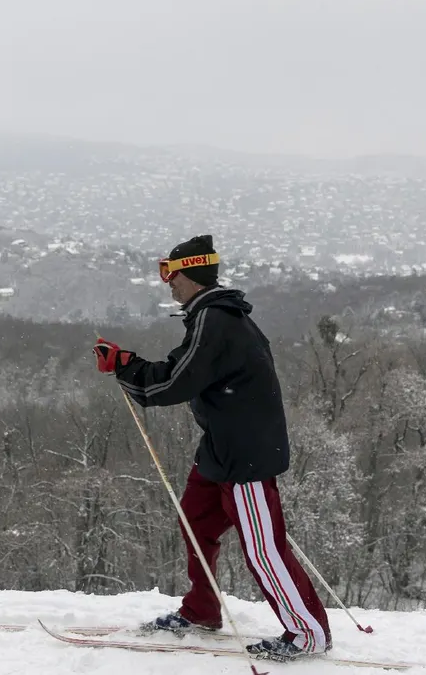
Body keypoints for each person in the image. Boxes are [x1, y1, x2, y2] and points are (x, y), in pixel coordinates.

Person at [91, 234, 331, 662]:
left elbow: (174, 381)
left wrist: (125, 367)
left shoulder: (214, 321)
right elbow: (186, 373)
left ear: (193, 273)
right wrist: (129, 365)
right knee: (197, 523)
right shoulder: (216, 315)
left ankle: (307, 632)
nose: (168, 282)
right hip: (221, 449)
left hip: (245, 455)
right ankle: (202, 611)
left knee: (263, 547)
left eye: (171, 273)